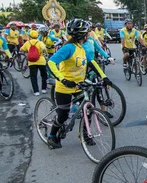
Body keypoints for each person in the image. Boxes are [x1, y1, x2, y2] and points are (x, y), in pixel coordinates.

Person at [46, 19, 111, 149]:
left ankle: (85, 135)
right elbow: (51, 62)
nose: (89, 35)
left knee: (87, 110)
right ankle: (52, 136)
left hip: (78, 86)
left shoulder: (81, 48)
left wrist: (104, 77)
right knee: (63, 115)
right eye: (88, 33)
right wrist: (62, 79)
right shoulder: (69, 48)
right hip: (65, 87)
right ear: (84, 35)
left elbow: (91, 63)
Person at [20, 26, 48, 96]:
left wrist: (28, 50)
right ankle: (44, 89)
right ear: (37, 35)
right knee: (44, 75)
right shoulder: (40, 42)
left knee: (33, 76)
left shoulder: (27, 43)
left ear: (30, 36)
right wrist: (45, 54)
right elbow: (44, 48)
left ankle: (36, 91)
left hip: (32, 62)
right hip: (41, 61)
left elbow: (21, 49)